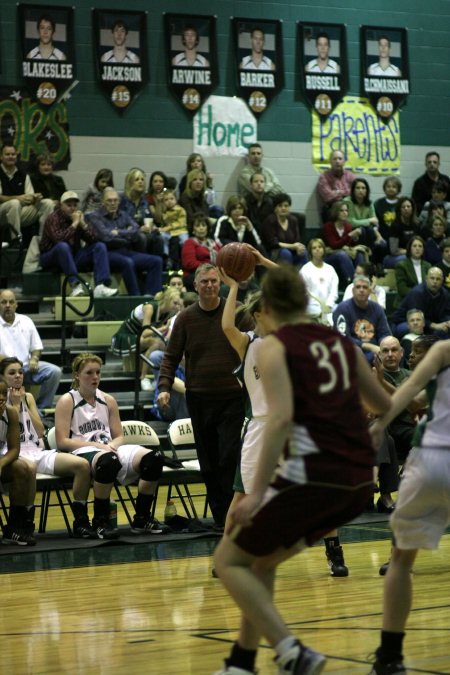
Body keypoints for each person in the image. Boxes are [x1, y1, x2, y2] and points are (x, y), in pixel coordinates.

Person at [213, 265, 391, 675]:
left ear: (267, 306)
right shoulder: (341, 343)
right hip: (360, 479)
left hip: (316, 472)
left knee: (229, 560)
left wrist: (256, 493)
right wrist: (381, 426)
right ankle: (241, 662)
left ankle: (292, 651)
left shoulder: (276, 347)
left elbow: (280, 418)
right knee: (262, 561)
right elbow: (382, 404)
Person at [369, 339, 450, 674]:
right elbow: (418, 397)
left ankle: (390, 657)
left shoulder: (444, 349)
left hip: (433, 454)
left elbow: (412, 389)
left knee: (401, 559)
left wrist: (377, 424)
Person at [157, 264, 245, 530]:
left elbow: (256, 342)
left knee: (229, 458)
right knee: (208, 465)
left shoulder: (237, 311)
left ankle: (232, 519)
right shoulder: (185, 318)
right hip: (199, 399)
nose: (209, 285)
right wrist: (164, 387)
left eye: (214, 281)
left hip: (232, 396)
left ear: (221, 285)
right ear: (195, 286)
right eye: (204, 281)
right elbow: (170, 357)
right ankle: (221, 520)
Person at [55, 352, 166, 539]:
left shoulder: (108, 400)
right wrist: (99, 447)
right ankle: (101, 520)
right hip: (82, 450)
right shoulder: (67, 401)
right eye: (89, 372)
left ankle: (142, 518)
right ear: (76, 375)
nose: (95, 377)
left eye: (98, 372)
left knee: (154, 458)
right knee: (108, 461)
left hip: (108, 448)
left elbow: (119, 436)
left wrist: (112, 445)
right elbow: (62, 442)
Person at [0, 357, 95, 539]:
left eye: (20, 372)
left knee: (82, 465)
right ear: (2, 377)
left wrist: (24, 405)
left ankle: (81, 522)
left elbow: (41, 430)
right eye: (12, 373)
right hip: (11, 452)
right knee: (30, 468)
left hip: (36, 450)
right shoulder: (2, 400)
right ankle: (26, 523)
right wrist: (15, 405)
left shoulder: (28, 397)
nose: (18, 376)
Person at [39, 190, 119, 298]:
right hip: (51, 258)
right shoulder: (53, 218)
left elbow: (94, 239)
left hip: (72, 258)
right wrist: (75, 224)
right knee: (63, 247)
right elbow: (59, 239)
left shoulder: (79, 218)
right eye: (69, 205)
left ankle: (101, 286)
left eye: (75, 205)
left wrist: (83, 225)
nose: (73, 208)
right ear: (61, 206)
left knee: (99, 246)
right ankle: (75, 286)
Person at [86, 187, 163, 296]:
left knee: (156, 261)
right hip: (107, 253)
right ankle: (135, 298)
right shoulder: (94, 216)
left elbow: (136, 230)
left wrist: (117, 232)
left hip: (126, 251)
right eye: (109, 200)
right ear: (103, 202)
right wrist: (127, 233)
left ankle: (150, 297)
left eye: (115, 200)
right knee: (127, 262)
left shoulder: (123, 214)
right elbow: (106, 237)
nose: (113, 203)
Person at [0, 290, 62, 415]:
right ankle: (7, 411)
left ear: (16, 304)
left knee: (54, 371)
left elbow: (37, 347)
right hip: (3, 370)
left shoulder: (26, 320)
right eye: (3, 302)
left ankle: (40, 409)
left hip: (26, 367)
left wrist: (34, 358)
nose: (7, 305)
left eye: (11, 302)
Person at [111, 288, 182, 390]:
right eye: (175, 303)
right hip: (127, 335)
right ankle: (143, 377)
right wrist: (165, 328)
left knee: (162, 343)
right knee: (156, 343)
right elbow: (145, 332)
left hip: (139, 335)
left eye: (179, 304)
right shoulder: (150, 307)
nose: (177, 307)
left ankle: (157, 378)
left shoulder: (167, 313)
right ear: (167, 299)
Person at [0, 380, 37, 546]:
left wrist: (1, 464)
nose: (1, 398)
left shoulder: (11, 413)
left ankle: (14, 528)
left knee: (21, 468)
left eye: (3, 394)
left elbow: (14, 449)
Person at [0, 143, 54, 243]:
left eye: (13, 154)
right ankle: (15, 241)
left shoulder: (23, 175)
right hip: (2, 214)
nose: (11, 157)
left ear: (16, 156)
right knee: (14, 203)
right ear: (1, 157)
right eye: (7, 154)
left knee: (48, 203)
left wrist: (34, 198)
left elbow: (29, 196)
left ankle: (45, 241)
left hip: (18, 212)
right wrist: (17, 198)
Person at [333, 275, 391, 365]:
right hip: (353, 349)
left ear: (370, 291)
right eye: (358, 287)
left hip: (375, 349)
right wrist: (368, 346)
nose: (361, 290)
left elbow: (384, 333)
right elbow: (343, 337)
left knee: (397, 351)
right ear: (353, 291)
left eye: (365, 287)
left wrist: (386, 346)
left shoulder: (377, 308)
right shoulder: (343, 309)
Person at [392, 266, 450, 338]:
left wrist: (447, 322)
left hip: (429, 323)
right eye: (432, 278)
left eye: (438, 279)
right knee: (416, 326)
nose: (435, 282)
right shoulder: (417, 293)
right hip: (405, 321)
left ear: (442, 281)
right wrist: (435, 325)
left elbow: (446, 313)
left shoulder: (445, 294)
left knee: (444, 331)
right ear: (426, 279)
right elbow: (416, 317)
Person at [120, 168, 164, 259]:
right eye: (137, 179)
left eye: (142, 179)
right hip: (127, 232)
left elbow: (150, 218)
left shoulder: (144, 200)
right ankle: (142, 267)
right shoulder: (122, 199)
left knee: (159, 238)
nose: (141, 182)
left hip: (142, 231)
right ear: (130, 182)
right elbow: (120, 222)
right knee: (142, 238)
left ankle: (156, 267)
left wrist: (153, 227)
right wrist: (139, 229)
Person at [321, 200, 365, 286]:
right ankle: (354, 284)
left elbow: (350, 245)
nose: (345, 213)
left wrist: (355, 238)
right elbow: (334, 245)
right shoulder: (328, 226)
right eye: (342, 210)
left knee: (359, 253)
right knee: (342, 255)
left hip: (342, 253)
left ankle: (362, 280)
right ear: (336, 212)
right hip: (329, 255)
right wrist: (350, 235)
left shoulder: (347, 226)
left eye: (346, 210)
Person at [344, 177, 386, 260]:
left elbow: (375, 223)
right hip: (352, 232)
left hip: (368, 232)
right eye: (358, 188)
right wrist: (369, 220)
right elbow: (351, 222)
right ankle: (368, 259)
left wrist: (378, 236)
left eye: (363, 188)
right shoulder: (347, 201)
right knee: (363, 230)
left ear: (367, 190)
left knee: (382, 244)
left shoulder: (369, 203)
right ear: (353, 190)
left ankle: (375, 264)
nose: (361, 190)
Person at [261, 193, 307, 266]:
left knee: (303, 252)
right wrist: (293, 246)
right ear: (275, 208)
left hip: (291, 250)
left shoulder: (293, 220)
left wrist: (299, 248)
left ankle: (302, 276)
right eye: (280, 206)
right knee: (286, 253)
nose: (283, 208)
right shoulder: (270, 221)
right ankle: (287, 277)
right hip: (274, 253)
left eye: (286, 206)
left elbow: (297, 240)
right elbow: (274, 243)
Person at [301, 238, 339, 325]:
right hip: (312, 306)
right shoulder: (305, 269)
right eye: (314, 248)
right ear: (310, 252)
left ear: (324, 250)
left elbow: (334, 292)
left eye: (320, 247)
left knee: (341, 309)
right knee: (324, 316)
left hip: (329, 306)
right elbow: (304, 293)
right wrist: (322, 308)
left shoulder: (330, 269)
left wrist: (328, 305)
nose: (317, 249)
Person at [181, 214, 221, 289]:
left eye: (203, 225)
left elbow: (221, 259)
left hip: (214, 273)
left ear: (207, 228)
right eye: (197, 226)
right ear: (193, 229)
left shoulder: (214, 243)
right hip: (195, 274)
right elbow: (189, 263)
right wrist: (210, 268)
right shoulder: (189, 242)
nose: (201, 228)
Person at [317, 150, 356, 223]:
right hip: (332, 208)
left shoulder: (351, 176)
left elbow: (355, 193)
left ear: (344, 161)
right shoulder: (324, 177)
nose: (337, 161)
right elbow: (327, 197)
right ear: (330, 162)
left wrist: (337, 192)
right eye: (334, 159)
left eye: (340, 159)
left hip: (349, 206)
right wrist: (345, 193)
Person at [393, 235, 430, 308]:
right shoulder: (401, 265)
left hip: (424, 304)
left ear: (423, 249)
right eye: (414, 246)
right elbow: (402, 289)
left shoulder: (428, 266)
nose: (417, 248)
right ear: (409, 249)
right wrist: (420, 295)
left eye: (420, 246)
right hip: (406, 304)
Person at [412, 151, 450, 216]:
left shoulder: (446, 179)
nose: (432, 164)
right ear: (426, 164)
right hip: (427, 216)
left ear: (439, 164)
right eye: (429, 162)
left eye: (435, 162)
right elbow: (416, 204)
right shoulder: (419, 183)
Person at [159, 189, 188, 270]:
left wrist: (169, 227)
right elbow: (163, 223)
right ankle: (167, 256)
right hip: (169, 232)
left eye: (171, 199)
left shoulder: (180, 210)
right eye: (166, 199)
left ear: (176, 199)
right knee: (162, 237)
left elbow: (181, 222)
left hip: (181, 230)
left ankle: (185, 259)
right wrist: (161, 228)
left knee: (184, 241)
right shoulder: (164, 211)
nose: (169, 201)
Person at [374, 176, 402, 250]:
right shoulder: (378, 203)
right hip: (383, 237)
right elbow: (374, 224)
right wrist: (378, 237)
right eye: (388, 186)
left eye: (394, 187)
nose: (391, 189)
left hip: (399, 238)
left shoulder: (402, 203)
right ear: (384, 188)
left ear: (398, 189)